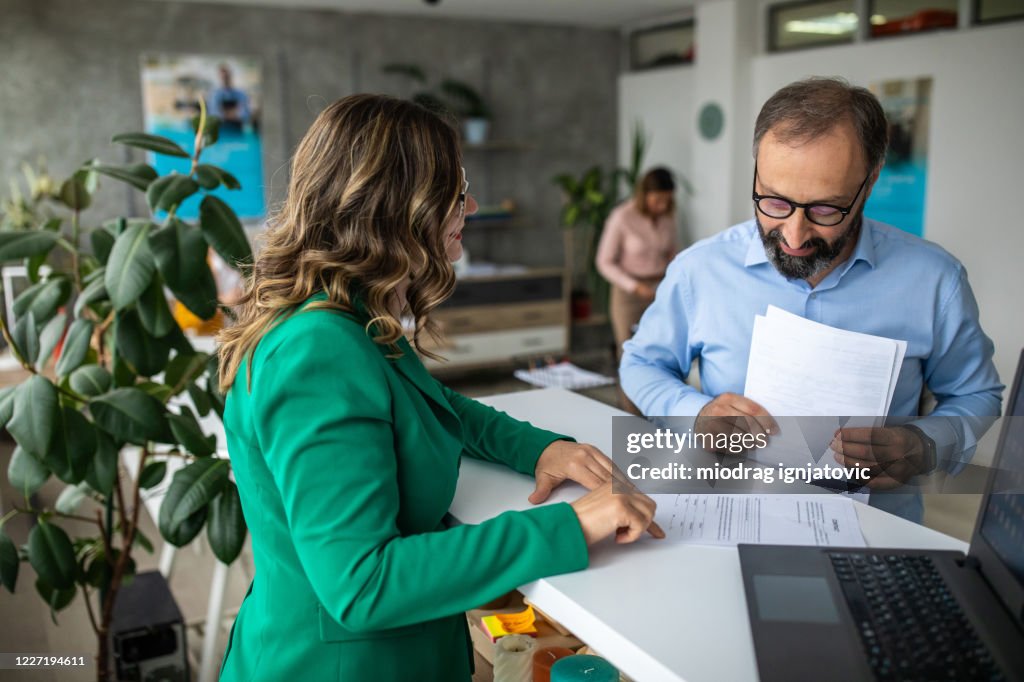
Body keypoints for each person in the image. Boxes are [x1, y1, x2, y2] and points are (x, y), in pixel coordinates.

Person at [215, 94, 663, 681]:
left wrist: (541, 449)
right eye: (455, 195)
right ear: (396, 208)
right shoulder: (318, 351)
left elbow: (432, 402)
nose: (471, 206)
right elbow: (364, 583)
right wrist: (574, 525)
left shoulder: (347, 311)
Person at [620, 77, 1003, 522]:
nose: (794, 235)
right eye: (774, 202)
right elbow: (640, 364)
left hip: (878, 532)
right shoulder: (700, 270)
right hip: (726, 519)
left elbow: (976, 393)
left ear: (870, 182)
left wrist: (926, 444)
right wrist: (694, 414)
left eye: (825, 209)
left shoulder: (936, 280)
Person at [596, 167, 678, 414]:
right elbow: (604, 262)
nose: (662, 206)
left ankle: (661, 411)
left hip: (660, 290)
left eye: (667, 200)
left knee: (663, 350)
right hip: (628, 294)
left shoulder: (668, 218)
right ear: (644, 194)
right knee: (630, 353)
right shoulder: (622, 217)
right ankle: (631, 414)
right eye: (657, 200)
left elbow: (674, 252)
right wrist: (635, 286)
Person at [208, 64, 251, 132]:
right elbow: (213, 115)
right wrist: (233, 113)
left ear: (231, 76)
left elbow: (245, 114)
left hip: (237, 131)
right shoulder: (214, 94)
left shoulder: (241, 94)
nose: (225, 79)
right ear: (219, 77)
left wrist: (226, 114)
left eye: (227, 76)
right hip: (221, 131)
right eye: (223, 77)